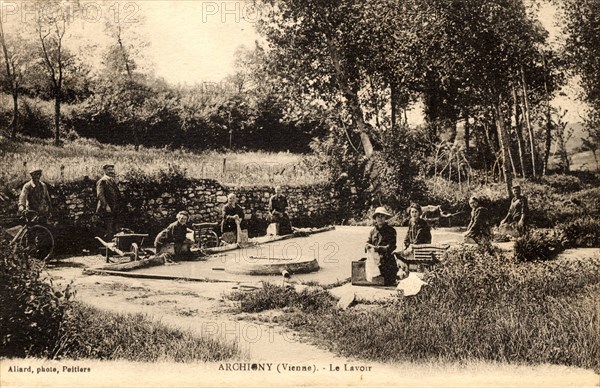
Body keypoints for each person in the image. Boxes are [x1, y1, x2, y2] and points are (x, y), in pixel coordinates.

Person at [365, 207, 398, 286]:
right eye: (378, 216)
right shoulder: (372, 231)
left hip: (386, 260)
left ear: (385, 218)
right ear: (375, 218)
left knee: (387, 282)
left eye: (382, 216)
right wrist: (367, 246)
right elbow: (368, 242)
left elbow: (391, 246)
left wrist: (379, 248)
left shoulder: (391, 231)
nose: (380, 218)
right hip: (374, 260)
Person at [96, 164, 122, 240]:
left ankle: (114, 246)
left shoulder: (112, 180)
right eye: (109, 169)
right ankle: (108, 247)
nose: (111, 171)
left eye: (112, 169)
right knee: (108, 229)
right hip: (106, 209)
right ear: (104, 170)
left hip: (114, 208)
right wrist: (106, 206)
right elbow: (100, 195)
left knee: (114, 228)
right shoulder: (102, 181)